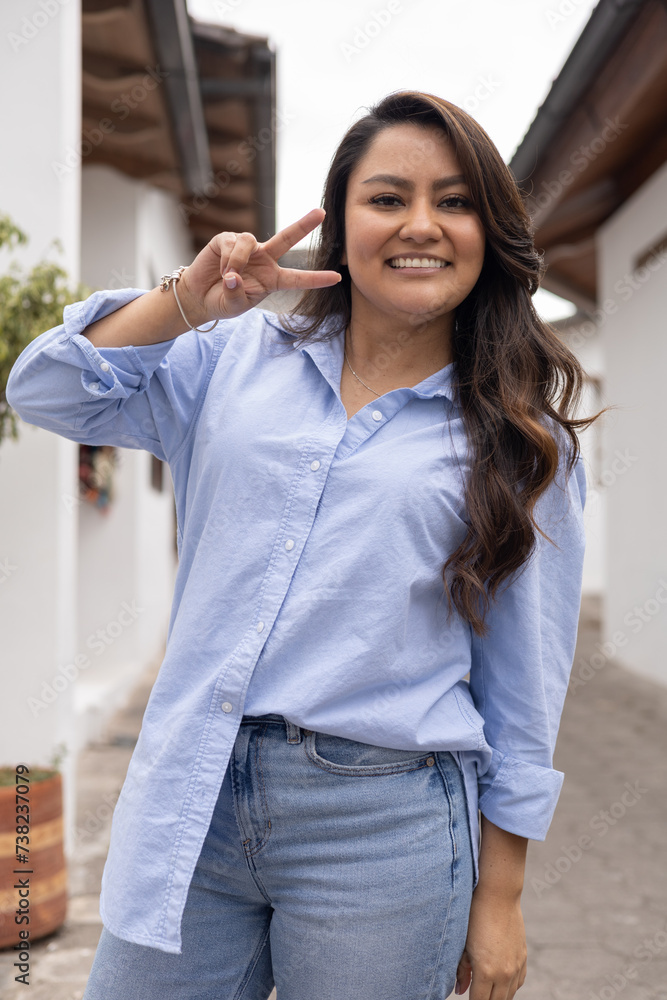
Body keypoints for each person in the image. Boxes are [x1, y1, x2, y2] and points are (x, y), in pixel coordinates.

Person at [6, 90, 599, 1000]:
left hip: (383, 822)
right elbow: (46, 390)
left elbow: (526, 684)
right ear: (340, 219)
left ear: (490, 233)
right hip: (190, 799)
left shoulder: (524, 441)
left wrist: (502, 897)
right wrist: (182, 304)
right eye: (387, 197)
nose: (420, 226)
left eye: (454, 202)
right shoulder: (233, 359)